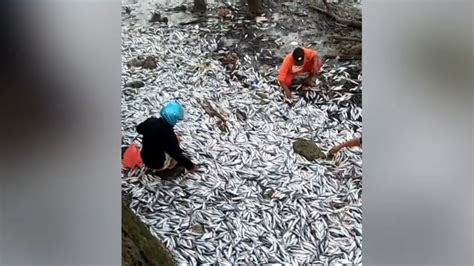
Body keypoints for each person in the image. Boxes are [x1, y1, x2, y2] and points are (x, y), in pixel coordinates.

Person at [122, 101, 196, 173]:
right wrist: (190, 166)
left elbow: (139, 129)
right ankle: (169, 167)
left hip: (144, 156)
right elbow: (177, 155)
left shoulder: (151, 121)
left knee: (160, 144)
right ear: (173, 119)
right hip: (157, 164)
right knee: (176, 145)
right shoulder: (169, 135)